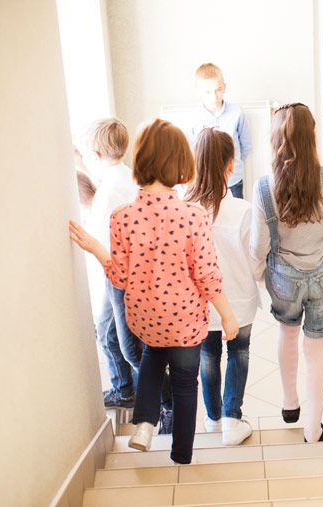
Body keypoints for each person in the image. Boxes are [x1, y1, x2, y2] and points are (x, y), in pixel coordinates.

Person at [69, 119, 239, 464]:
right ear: (181, 167)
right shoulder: (193, 216)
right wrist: (228, 313)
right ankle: (181, 452)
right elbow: (206, 274)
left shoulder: (122, 216)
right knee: (185, 382)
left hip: (146, 318)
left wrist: (95, 248)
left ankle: (145, 423)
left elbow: (118, 276)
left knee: (150, 360)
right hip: (186, 320)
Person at [250, 103, 323, 443]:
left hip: (285, 277)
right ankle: (313, 430)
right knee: (315, 350)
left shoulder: (263, 187)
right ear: (311, 136)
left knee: (287, 334)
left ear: (275, 139)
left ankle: (289, 403)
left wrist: (260, 275)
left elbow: (258, 246)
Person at [186, 128, 260, 445]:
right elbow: (255, 261)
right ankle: (232, 419)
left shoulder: (184, 209)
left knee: (207, 357)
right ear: (231, 165)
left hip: (200, 303)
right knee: (239, 353)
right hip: (239, 300)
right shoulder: (243, 210)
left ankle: (213, 418)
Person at [79, 118, 143, 409]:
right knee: (108, 330)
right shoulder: (130, 177)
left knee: (120, 339)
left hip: (119, 275)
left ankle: (138, 391)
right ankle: (126, 389)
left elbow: (101, 240)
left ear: (98, 154)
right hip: (133, 271)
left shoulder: (108, 192)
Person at [189, 63, 252, 199]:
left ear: (224, 87)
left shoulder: (237, 113)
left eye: (218, 90)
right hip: (206, 182)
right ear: (199, 92)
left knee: (236, 215)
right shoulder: (194, 118)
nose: (214, 96)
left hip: (233, 181)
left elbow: (246, 146)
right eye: (208, 92)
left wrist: (234, 165)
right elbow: (192, 150)